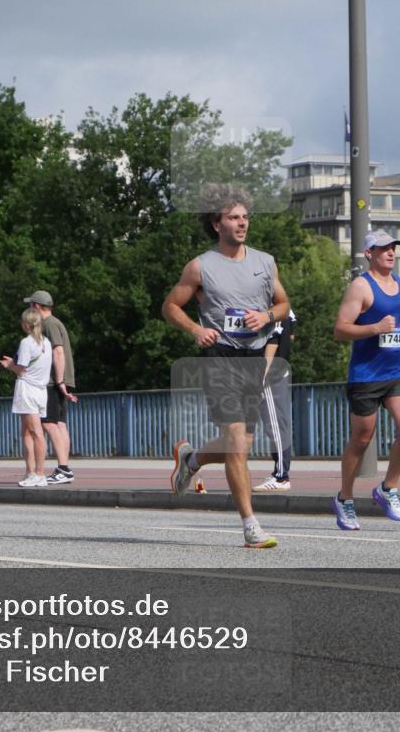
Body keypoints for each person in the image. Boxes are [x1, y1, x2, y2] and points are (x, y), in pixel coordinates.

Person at [162, 184, 290, 548]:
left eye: (245, 217)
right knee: (236, 442)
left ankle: (192, 459)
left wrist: (265, 314)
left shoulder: (265, 262)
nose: (242, 223)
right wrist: (195, 329)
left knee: (242, 445)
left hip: (254, 358)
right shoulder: (201, 266)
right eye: (234, 217)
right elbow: (171, 306)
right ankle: (251, 526)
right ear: (217, 224)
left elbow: (283, 304)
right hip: (221, 358)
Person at [331, 231, 400, 530]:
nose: (390, 252)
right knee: (361, 439)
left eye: (393, 247)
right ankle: (345, 498)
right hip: (366, 375)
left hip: (398, 371)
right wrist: (374, 329)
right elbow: (340, 330)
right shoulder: (361, 286)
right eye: (383, 248)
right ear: (368, 253)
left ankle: (388, 488)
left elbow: (396, 326)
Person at [24, 291, 78, 485]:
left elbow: (58, 351)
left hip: (53, 381)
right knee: (60, 424)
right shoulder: (55, 323)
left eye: (31, 306)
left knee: (49, 423)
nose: (29, 310)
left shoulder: (49, 324)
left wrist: (59, 381)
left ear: (37, 306)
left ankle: (63, 469)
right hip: (59, 380)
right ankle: (64, 467)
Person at [0, 308, 53, 487]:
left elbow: (21, 370)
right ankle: (30, 471)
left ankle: (39, 473)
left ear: (25, 325)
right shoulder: (46, 343)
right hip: (41, 390)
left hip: (28, 389)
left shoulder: (26, 342)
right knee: (27, 432)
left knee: (36, 433)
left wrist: (9, 365)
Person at [253, 308, 296, 493]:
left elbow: (272, 341)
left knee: (275, 426)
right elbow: (291, 334)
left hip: (269, 375)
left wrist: (262, 378)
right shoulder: (286, 309)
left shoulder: (265, 308)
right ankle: (280, 474)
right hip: (280, 370)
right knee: (279, 424)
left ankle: (281, 476)